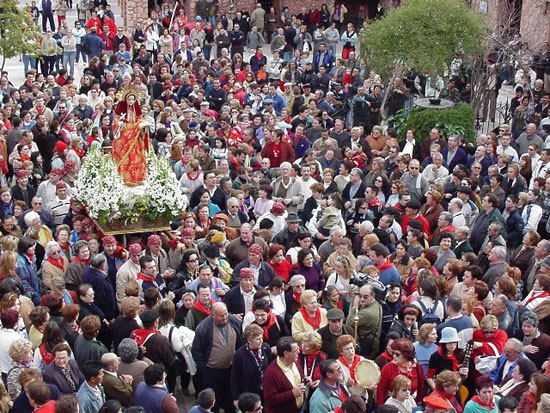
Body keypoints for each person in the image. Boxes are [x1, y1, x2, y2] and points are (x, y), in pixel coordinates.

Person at [191, 302, 242, 413]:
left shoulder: (233, 321)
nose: (225, 318)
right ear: (212, 315)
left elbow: (240, 342)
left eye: (226, 314)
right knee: (215, 402)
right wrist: (204, 369)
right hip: (212, 372)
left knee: (230, 399)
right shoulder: (203, 329)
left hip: (230, 369)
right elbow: (196, 350)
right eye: (221, 315)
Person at [112, 87, 150, 185]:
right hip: (124, 137)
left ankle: (137, 177)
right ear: (125, 99)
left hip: (134, 138)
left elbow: (139, 119)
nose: (131, 101)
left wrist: (142, 125)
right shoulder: (121, 109)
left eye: (133, 99)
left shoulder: (136, 110)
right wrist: (119, 124)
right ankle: (125, 178)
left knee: (136, 156)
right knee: (125, 157)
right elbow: (115, 121)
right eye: (129, 99)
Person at [230, 324, 272, 405]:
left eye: (261, 338)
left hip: (265, 392)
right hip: (249, 394)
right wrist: (236, 398)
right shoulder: (240, 355)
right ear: (249, 341)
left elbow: (270, 368)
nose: (261, 341)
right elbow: (234, 378)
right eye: (258, 339)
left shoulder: (266, 348)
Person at [263, 336, 306, 413]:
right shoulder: (272, 374)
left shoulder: (295, 361)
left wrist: (305, 380)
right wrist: (292, 393)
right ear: (286, 354)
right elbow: (270, 399)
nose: (299, 352)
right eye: (296, 350)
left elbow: (300, 377)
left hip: (299, 409)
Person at [377, 338, 424, 406]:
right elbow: (380, 390)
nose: (394, 356)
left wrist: (419, 403)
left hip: (411, 405)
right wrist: (381, 408)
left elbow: (421, 387)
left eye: (397, 354)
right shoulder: (388, 367)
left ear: (406, 355)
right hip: (391, 406)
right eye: (393, 353)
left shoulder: (417, 367)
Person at [346, 284, 382, 359]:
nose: (361, 299)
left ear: (373, 296)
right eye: (360, 296)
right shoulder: (377, 304)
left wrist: (355, 307)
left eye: (365, 297)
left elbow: (349, 323)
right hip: (372, 343)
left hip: (366, 347)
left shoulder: (367, 313)